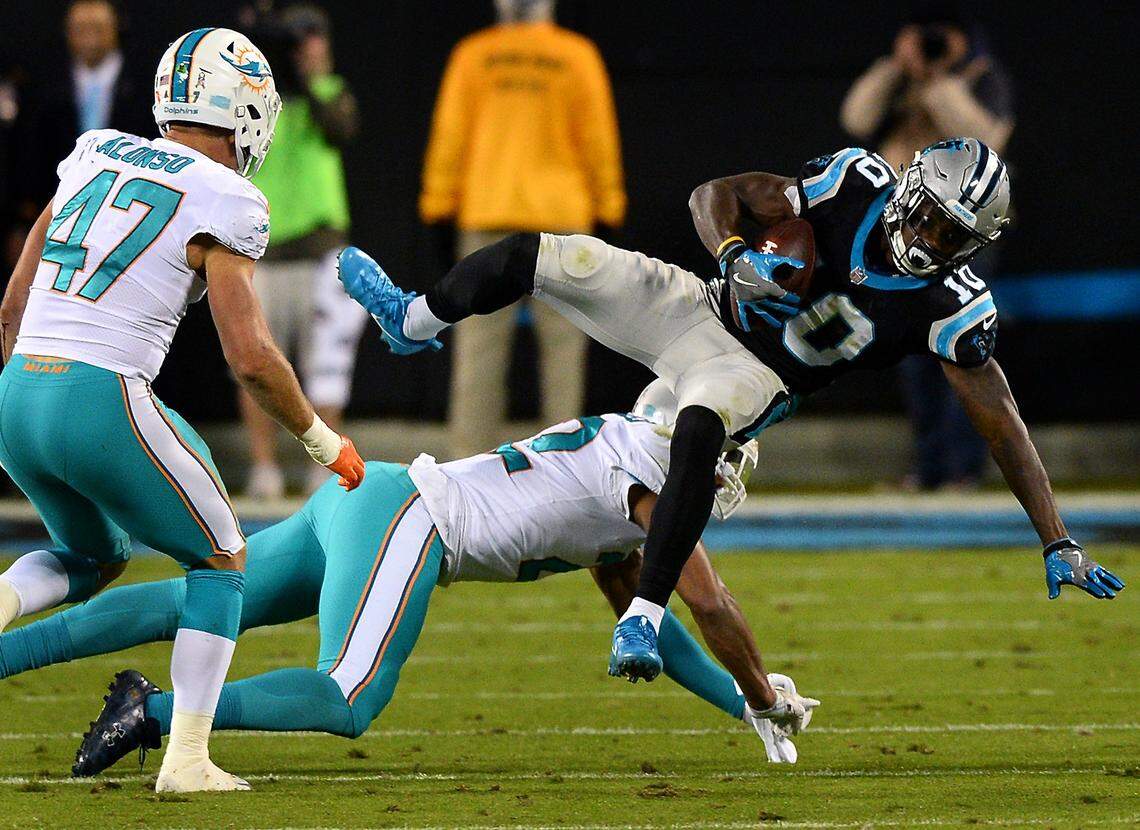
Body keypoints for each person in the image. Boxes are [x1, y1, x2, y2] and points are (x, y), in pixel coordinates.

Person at [337, 137, 1125, 685]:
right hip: (702, 306)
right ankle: (414, 321)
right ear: (910, 187)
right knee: (540, 255)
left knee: (697, 428)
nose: (930, 238)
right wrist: (734, 255)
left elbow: (1002, 422)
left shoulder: (951, 306)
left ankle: (643, 617)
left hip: (760, 374)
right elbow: (713, 195)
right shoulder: (853, 184)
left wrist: (1055, 537)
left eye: (952, 234)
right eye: (929, 215)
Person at [47, 400, 817, 778]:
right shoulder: (643, 478)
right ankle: (152, 712)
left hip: (373, 497)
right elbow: (708, 602)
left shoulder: (620, 477)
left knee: (197, 599)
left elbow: (652, 620)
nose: (719, 476)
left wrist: (736, 703)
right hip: (410, 520)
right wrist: (763, 693)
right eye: (718, 458)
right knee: (347, 697)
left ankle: (13, 648)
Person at [0, 28, 366, 792]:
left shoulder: (96, 150)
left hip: (18, 390)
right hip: (102, 395)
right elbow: (250, 355)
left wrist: (30, 391)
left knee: (94, 556)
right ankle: (188, 758)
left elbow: (13, 304)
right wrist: (320, 439)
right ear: (245, 111)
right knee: (222, 558)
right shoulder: (229, 196)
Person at [419, 0, 625, 458]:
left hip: (488, 218)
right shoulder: (576, 56)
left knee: (478, 361)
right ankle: (564, 473)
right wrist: (608, 209)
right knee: (563, 359)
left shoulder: (474, 56)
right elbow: (598, 140)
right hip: (562, 224)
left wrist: (438, 208)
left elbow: (450, 137)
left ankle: (466, 474)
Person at [840, 11, 1014, 490]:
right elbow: (856, 118)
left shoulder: (982, 78)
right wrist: (894, 68)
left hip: (963, 236)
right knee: (914, 354)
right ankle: (930, 466)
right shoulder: (901, 78)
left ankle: (966, 468)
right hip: (904, 232)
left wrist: (940, 82)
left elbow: (986, 139)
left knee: (966, 347)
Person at [238, 4, 368, 498]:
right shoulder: (257, 101)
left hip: (321, 249)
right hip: (263, 249)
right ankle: (264, 467)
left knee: (327, 367)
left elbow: (341, 128)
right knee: (255, 361)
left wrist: (309, 80)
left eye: (312, 37)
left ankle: (327, 466)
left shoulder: (331, 92)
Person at [10, 0, 153, 233]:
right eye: (80, 29)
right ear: (67, 32)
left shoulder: (147, 83)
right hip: (54, 214)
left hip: (129, 215)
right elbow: (27, 151)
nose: (89, 36)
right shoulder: (41, 84)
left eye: (97, 28)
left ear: (115, 28)